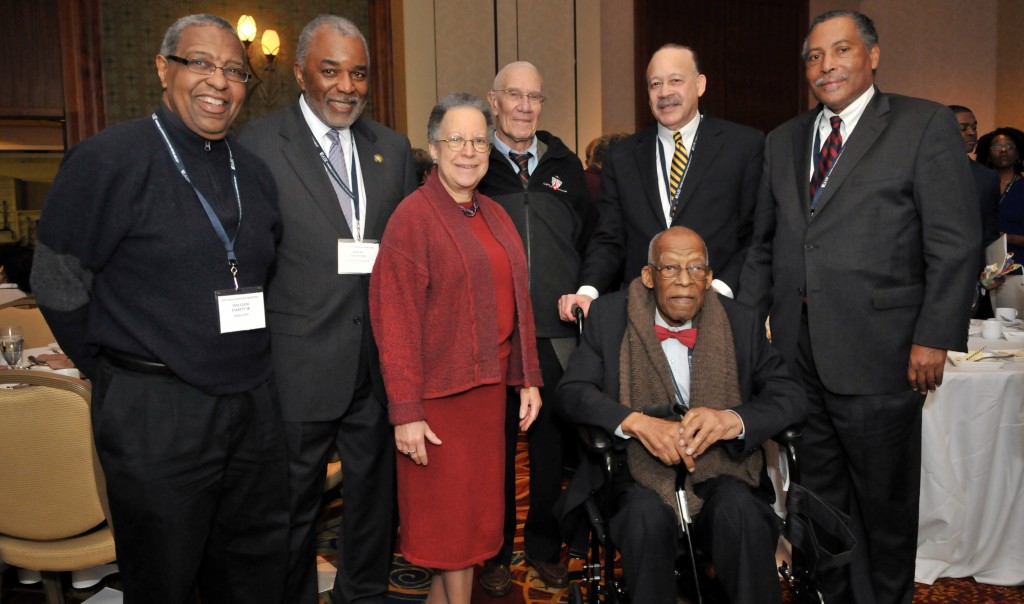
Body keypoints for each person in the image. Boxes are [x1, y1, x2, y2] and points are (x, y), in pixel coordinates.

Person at [31, 14, 289, 603]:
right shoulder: (109, 159)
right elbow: (56, 279)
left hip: (252, 404)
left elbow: (259, 270)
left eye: (233, 70)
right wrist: (112, 369)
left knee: (255, 568)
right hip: (154, 412)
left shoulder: (252, 170)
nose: (218, 82)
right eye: (200, 63)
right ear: (163, 69)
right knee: (166, 580)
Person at [739, 10, 980, 603]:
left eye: (841, 51)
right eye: (815, 57)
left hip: (885, 357)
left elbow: (955, 243)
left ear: (872, 55)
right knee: (817, 501)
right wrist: (747, 336)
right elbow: (765, 247)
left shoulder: (922, 126)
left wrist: (935, 336)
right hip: (800, 359)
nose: (826, 66)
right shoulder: (783, 140)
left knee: (885, 507)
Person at [237, 14, 418, 604]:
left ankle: (361, 593)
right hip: (297, 363)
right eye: (331, 71)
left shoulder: (390, 147)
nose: (347, 87)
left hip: (376, 364)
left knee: (374, 500)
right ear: (299, 73)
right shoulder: (257, 147)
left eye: (359, 74)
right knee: (291, 507)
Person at [557, 226, 806, 604]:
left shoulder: (740, 321)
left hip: (722, 468)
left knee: (740, 512)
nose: (684, 281)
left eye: (695, 269)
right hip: (633, 473)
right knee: (644, 519)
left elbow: (790, 395)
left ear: (708, 277)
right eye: (670, 268)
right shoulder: (609, 317)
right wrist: (634, 422)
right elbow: (571, 392)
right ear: (648, 276)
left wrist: (733, 420)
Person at [369, 92, 543, 604]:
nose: (468, 151)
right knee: (451, 536)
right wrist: (406, 412)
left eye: (477, 141)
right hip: (437, 407)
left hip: (487, 399)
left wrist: (527, 377)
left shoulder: (492, 212)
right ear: (433, 147)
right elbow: (393, 322)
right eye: (455, 140)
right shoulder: (413, 218)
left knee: (468, 533)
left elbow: (519, 300)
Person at [473, 61, 589, 595]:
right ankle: (492, 555)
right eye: (513, 96)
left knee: (548, 454)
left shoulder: (566, 164)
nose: (524, 106)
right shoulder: (472, 163)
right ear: (493, 101)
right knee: (492, 449)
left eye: (534, 97)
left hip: (554, 335)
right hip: (491, 335)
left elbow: (594, 239)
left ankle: (543, 548)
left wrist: (586, 290)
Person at [558, 44, 764, 321]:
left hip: (720, 310)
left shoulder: (744, 147)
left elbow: (756, 237)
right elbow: (610, 237)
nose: (664, 92)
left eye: (675, 80)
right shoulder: (623, 156)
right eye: (655, 84)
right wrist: (587, 291)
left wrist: (718, 290)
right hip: (642, 316)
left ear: (700, 84)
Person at [949, 106, 1001, 317]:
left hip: (971, 276)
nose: (972, 133)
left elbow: (989, 231)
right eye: (963, 128)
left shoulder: (986, 177)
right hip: (924, 274)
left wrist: (991, 270)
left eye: (974, 127)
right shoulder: (921, 171)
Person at [976, 127, 1024, 270]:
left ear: (1017, 153)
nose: (1003, 150)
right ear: (988, 155)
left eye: (1009, 146)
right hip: (981, 265)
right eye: (996, 146)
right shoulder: (977, 186)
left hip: (1018, 267)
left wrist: (1007, 238)